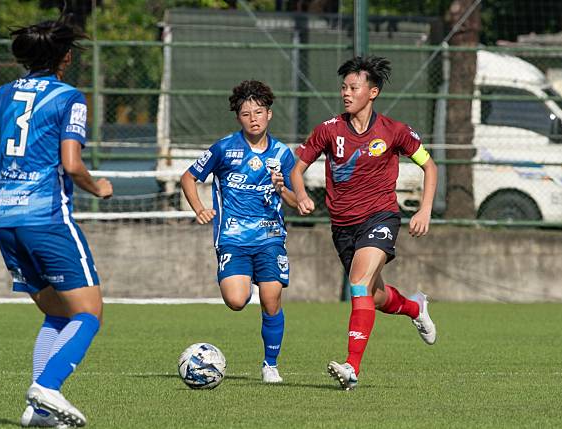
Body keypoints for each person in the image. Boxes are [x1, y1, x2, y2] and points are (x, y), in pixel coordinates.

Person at [0, 16, 112, 427]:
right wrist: (98, 187)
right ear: (64, 57)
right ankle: (48, 387)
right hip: (47, 219)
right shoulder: (69, 97)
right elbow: (72, 164)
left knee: (58, 313)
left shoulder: (4, 95)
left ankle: (36, 410)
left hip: (6, 219)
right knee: (90, 313)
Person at [290, 56, 438, 390]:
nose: (346, 93)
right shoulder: (328, 130)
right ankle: (414, 306)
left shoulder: (394, 131)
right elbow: (297, 169)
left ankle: (351, 367)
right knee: (375, 294)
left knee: (358, 283)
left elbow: (430, 166)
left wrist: (424, 209)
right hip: (342, 226)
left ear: (371, 92)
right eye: (343, 87)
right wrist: (300, 194)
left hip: (381, 216)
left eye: (353, 87)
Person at [181, 80, 297, 384]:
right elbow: (188, 178)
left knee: (271, 299)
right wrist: (199, 208)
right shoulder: (224, 148)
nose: (253, 118)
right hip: (232, 237)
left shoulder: (284, 154)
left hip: (271, 236)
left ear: (269, 114)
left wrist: (284, 190)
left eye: (259, 112)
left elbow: (297, 199)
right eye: (246, 114)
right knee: (236, 300)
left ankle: (270, 364)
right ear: (238, 118)